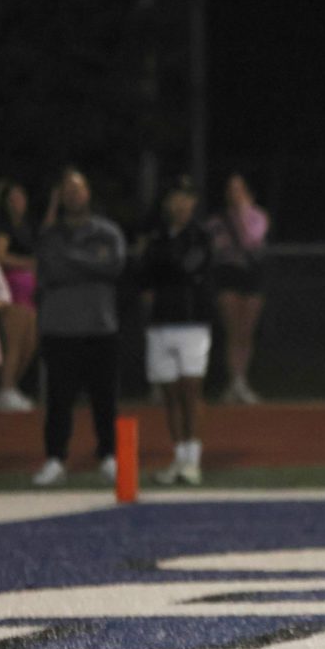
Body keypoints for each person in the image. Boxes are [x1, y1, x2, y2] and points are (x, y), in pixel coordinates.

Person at [32, 168, 127, 486]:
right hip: (59, 329)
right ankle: (55, 459)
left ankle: (109, 456)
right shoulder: (49, 234)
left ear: (88, 193)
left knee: (105, 398)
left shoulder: (107, 231)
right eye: (67, 189)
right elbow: (50, 272)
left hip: (100, 328)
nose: (74, 194)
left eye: (79, 188)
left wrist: (71, 260)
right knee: (58, 401)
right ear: (60, 196)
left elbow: (113, 267)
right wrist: (89, 263)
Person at [139, 176, 214, 485]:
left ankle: (193, 461)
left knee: (190, 390)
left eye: (185, 198)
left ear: (193, 203)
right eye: (174, 197)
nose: (179, 204)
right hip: (161, 322)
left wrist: (160, 259)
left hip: (192, 322)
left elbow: (187, 267)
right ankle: (179, 457)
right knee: (169, 393)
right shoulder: (157, 235)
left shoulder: (201, 237)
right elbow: (143, 274)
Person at [206, 173, 268, 404]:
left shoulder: (258, 216)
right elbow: (218, 248)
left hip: (251, 277)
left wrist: (243, 214)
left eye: (240, 189)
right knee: (232, 331)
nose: (235, 194)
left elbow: (252, 240)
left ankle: (242, 381)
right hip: (228, 277)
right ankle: (235, 382)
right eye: (231, 189)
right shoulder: (216, 221)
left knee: (246, 331)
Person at [0, 180, 40, 412]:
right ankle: (5, 389)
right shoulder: (3, 226)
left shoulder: (27, 226)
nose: (18, 202)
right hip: (13, 290)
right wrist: (28, 264)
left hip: (30, 293)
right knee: (13, 343)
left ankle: (11, 387)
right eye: (13, 198)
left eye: (21, 197)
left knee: (29, 343)